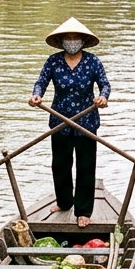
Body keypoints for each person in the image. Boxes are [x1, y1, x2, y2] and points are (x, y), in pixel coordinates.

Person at [28, 17, 110, 227]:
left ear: (83, 41)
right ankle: (64, 202)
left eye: (76, 38)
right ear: (62, 40)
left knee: (85, 166)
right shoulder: (53, 61)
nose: (72, 41)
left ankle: (83, 211)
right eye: (68, 38)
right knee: (60, 165)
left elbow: (105, 85)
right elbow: (41, 82)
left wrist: (102, 98)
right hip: (60, 121)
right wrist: (37, 95)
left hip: (87, 122)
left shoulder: (93, 62)